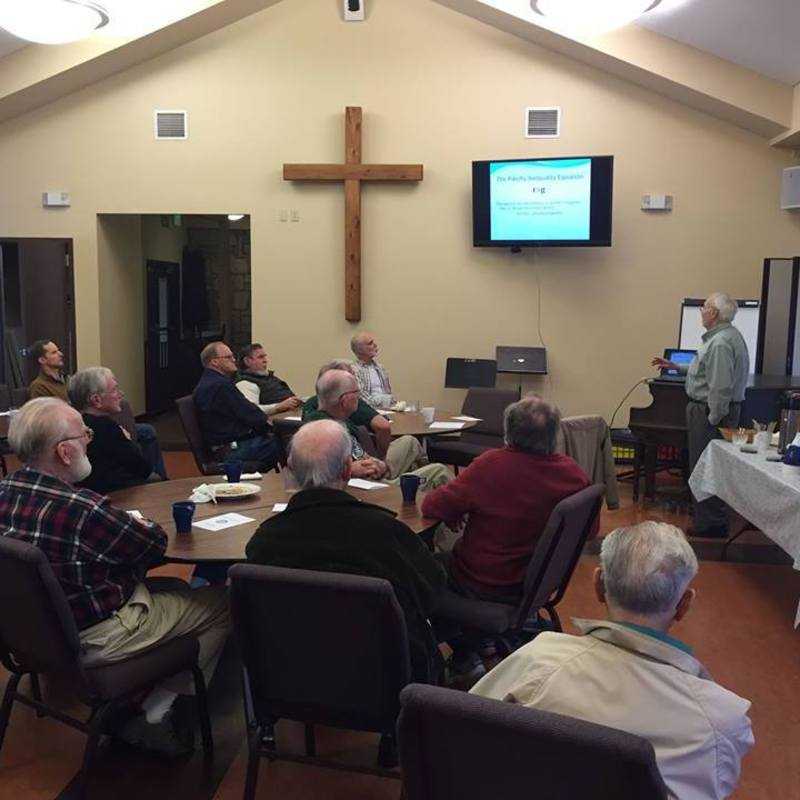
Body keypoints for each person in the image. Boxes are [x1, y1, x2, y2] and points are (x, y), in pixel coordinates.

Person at [0, 398, 230, 756]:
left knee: (173, 588)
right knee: (222, 603)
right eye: (84, 434)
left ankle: (139, 693)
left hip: (29, 634)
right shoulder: (84, 510)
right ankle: (156, 711)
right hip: (93, 639)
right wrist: (140, 523)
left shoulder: (5, 492)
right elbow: (154, 545)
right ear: (64, 452)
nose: (90, 440)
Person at [471, 521, 754, 800]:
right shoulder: (724, 719)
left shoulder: (537, 661)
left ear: (598, 585)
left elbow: (465, 732)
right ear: (684, 605)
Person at [245, 419, 446, 682]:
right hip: (386, 677)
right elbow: (433, 592)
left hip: (295, 678)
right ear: (347, 471)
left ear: (290, 469)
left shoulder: (263, 542)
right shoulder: (385, 532)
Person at [422, 395, 592, 600]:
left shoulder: (491, 465)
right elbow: (590, 531)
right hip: (537, 585)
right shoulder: (574, 474)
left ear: (508, 431)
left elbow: (430, 506)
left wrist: (453, 512)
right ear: (554, 435)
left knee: (415, 564)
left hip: (481, 581)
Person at [652, 292, 749, 537]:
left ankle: (710, 523)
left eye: (704, 307)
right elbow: (706, 372)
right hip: (714, 412)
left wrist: (712, 419)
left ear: (714, 313)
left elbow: (720, 387)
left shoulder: (719, 343)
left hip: (708, 413)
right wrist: (677, 367)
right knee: (708, 466)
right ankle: (711, 519)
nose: (701, 311)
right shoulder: (727, 337)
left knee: (705, 467)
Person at [303, 369, 450, 486]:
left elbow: (358, 452)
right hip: (367, 487)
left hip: (372, 471)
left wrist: (377, 463)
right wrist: (350, 470)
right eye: (356, 393)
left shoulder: (339, 418)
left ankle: (416, 493)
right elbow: (309, 472)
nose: (359, 397)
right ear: (345, 400)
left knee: (409, 442)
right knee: (439, 471)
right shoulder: (320, 431)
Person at [68, 367, 159, 494]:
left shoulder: (72, 426)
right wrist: (128, 441)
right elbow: (143, 469)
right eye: (114, 390)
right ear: (96, 400)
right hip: (118, 496)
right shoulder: (106, 428)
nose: (121, 394)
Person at [193, 341, 282, 470]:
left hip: (228, 446)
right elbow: (250, 414)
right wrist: (271, 427)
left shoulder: (211, 382)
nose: (234, 360)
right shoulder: (220, 385)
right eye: (228, 357)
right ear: (214, 362)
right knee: (290, 443)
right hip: (232, 451)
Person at [303, 359, 392, 456]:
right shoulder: (339, 431)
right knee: (409, 443)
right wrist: (380, 462)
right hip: (363, 466)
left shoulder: (311, 411)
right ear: (344, 400)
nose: (358, 395)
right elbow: (383, 426)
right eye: (355, 391)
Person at [235, 342, 303, 416]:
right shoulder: (245, 383)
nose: (265, 360)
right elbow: (251, 410)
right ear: (247, 361)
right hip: (278, 422)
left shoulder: (270, 378)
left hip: (295, 414)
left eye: (265, 357)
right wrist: (278, 407)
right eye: (260, 357)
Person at [350, 331, 395, 408]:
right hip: (369, 411)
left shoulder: (380, 368)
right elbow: (363, 399)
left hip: (386, 409)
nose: (375, 345)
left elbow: (388, 392)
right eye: (370, 343)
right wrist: (387, 400)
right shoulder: (354, 370)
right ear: (360, 349)